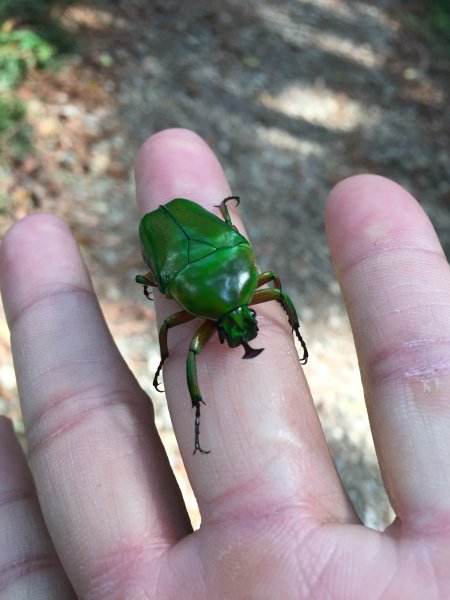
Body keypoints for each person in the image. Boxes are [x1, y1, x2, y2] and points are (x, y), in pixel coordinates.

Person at [0, 128, 449, 598]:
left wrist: (284, 326)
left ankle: (240, 354)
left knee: (201, 332)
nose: (242, 331)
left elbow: (258, 291)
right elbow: (221, 312)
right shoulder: (227, 293)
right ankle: (199, 400)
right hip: (193, 254)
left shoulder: (227, 288)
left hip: (195, 259)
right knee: (192, 342)